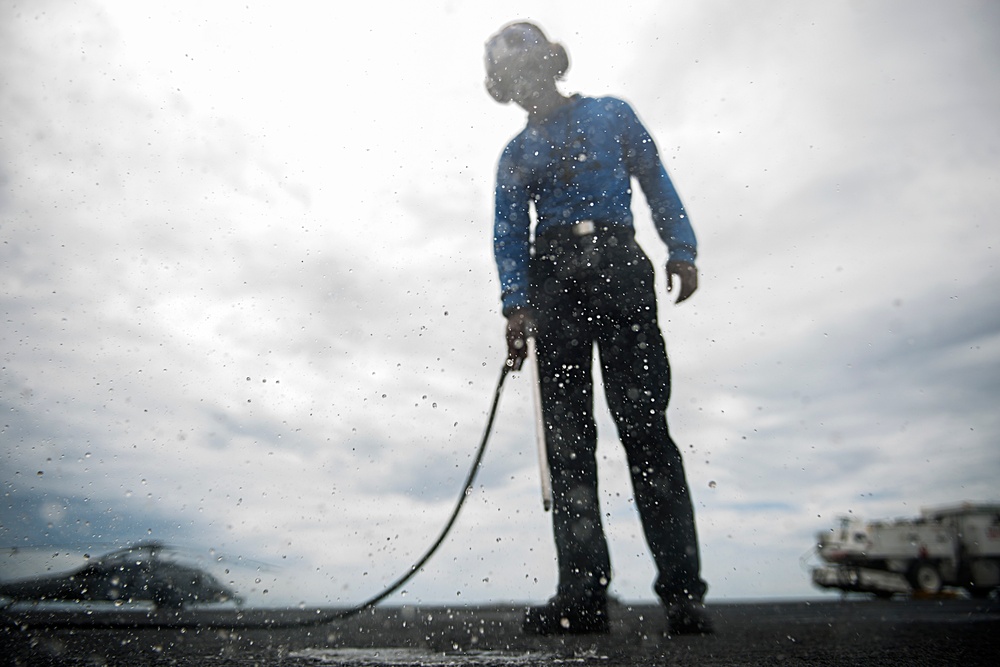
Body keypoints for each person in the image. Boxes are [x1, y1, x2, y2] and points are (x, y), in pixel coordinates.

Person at [484, 22, 712, 636]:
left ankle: (684, 595)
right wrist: (515, 306)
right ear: (504, 88)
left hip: (618, 266)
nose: (525, 85)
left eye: (531, 69)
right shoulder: (515, 156)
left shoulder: (613, 115)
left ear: (551, 66)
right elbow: (508, 235)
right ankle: (581, 596)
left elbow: (655, 179)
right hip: (552, 281)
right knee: (567, 445)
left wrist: (681, 247)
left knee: (645, 429)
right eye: (512, 78)